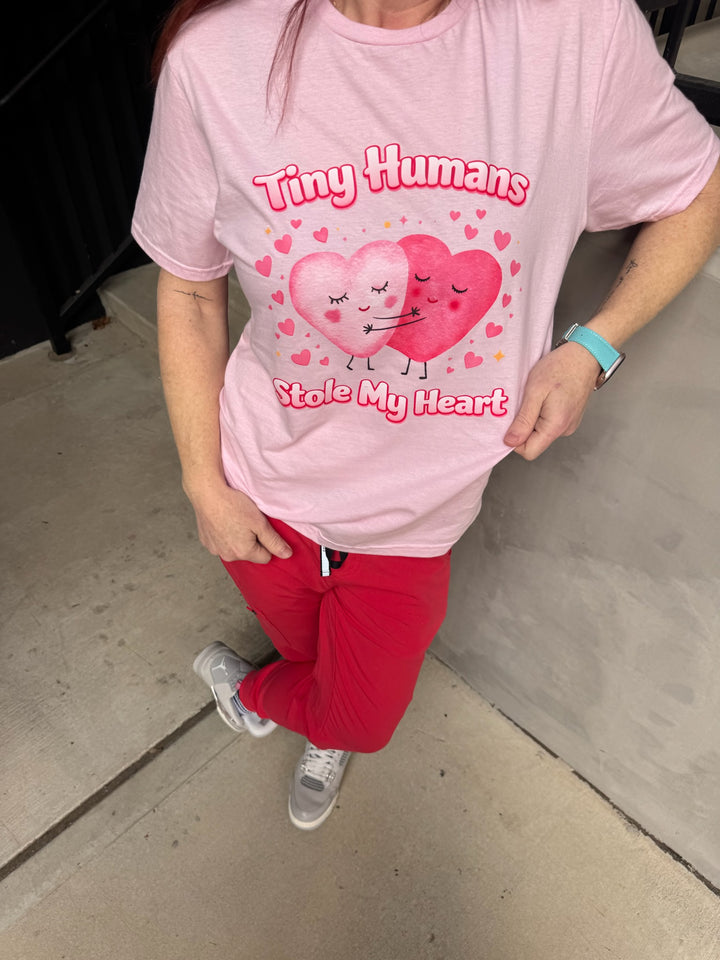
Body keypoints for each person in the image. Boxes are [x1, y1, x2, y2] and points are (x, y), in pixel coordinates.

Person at [132, 0, 720, 830]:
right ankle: (307, 696)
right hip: (259, 486)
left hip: (415, 515)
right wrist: (204, 483)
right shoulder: (216, 57)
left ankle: (267, 696)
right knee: (308, 650)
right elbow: (190, 287)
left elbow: (697, 189)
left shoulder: (573, 29)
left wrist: (593, 348)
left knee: (364, 717)